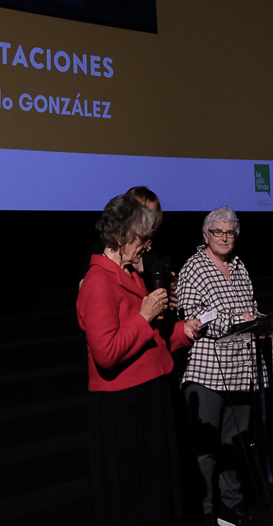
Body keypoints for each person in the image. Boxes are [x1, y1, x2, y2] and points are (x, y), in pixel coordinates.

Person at [78, 192, 203, 525]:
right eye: (143, 239)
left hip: (149, 398)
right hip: (125, 407)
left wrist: (183, 332)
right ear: (121, 236)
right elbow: (107, 353)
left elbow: (152, 343)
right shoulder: (97, 281)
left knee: (158, 493)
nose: (148, 246)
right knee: (137, 498)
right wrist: (145, 315)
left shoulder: (131, 276)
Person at [178, 207, 261, 526]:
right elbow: (192, 316)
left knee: (235, 445)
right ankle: (204, 510)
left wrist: (259, 321)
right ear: (206, 235)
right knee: (205, 448)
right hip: (207, 371)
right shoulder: (194, 266)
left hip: (242, 369)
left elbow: (251, 309)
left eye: (230, 232)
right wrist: (239, 320)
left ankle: (231, 506)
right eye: (218, 232)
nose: (224, 238)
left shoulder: (239, 266)